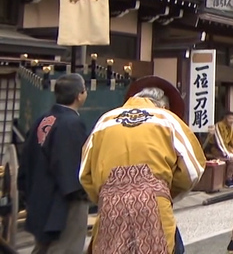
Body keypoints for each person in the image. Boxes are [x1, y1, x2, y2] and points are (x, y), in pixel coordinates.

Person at [80, 78, 206, 254]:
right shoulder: (167, 118)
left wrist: (105, 194)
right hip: (154, 201)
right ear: (163, 105)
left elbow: (84, 173)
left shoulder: (105, 120)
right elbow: (193, 169)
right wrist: (166, 191)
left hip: (111, 203)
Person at [19, 74, 89, 254]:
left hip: (39, 195)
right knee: (66, 248)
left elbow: (26, 156)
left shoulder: (42, 119)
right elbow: (70, 164)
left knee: (43, 247)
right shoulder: (71, 123)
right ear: (79, 95)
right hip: (64, 200)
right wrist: (81, 192)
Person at [207, 110, 233, 188]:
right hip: (217, 149)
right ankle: (228, 180)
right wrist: (227, 154)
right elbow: (219, 142)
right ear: (225, 118)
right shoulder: (218, 126)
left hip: (227, 148)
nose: (232, 121)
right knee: (232, 161)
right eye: (230, 118)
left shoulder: (230, 128)